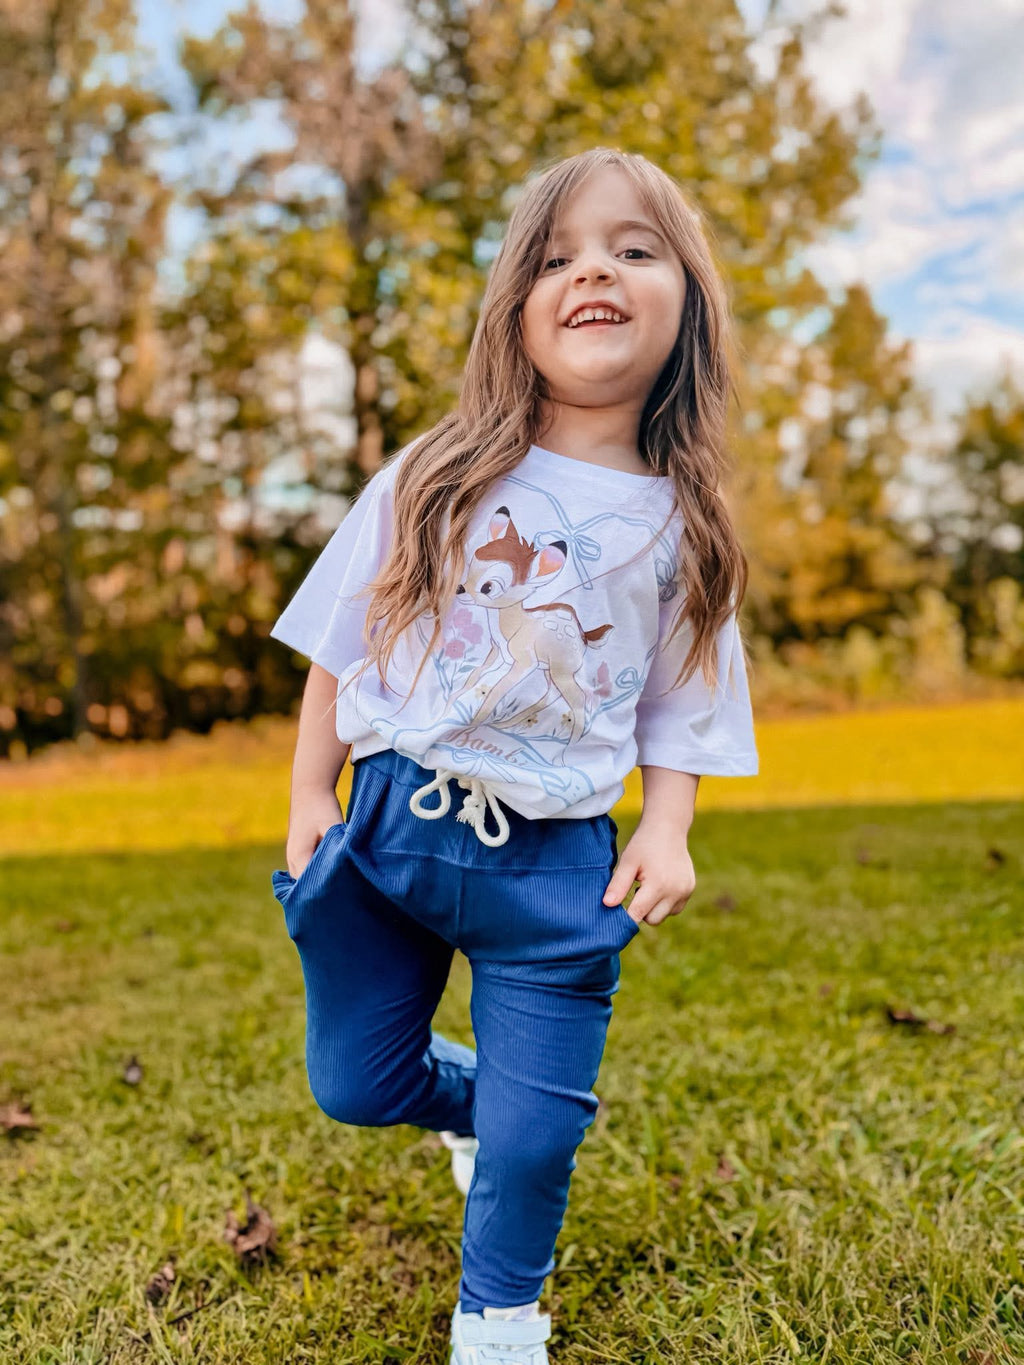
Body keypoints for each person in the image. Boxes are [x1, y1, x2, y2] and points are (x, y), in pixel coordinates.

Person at [268, 146, 759, 1364]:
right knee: (358, 1087)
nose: (592, 269)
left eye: (632, 249)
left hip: (553, 868)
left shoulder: (685, 522)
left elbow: (683, 696)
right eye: (557, 257)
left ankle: (497, 1319)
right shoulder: (435, 472)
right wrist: (306, 796)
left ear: (685, 299)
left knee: (542, 1136)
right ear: (517, 312)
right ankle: (472, 1105)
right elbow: (339, 644)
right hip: (387, 828)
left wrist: (668, 824)